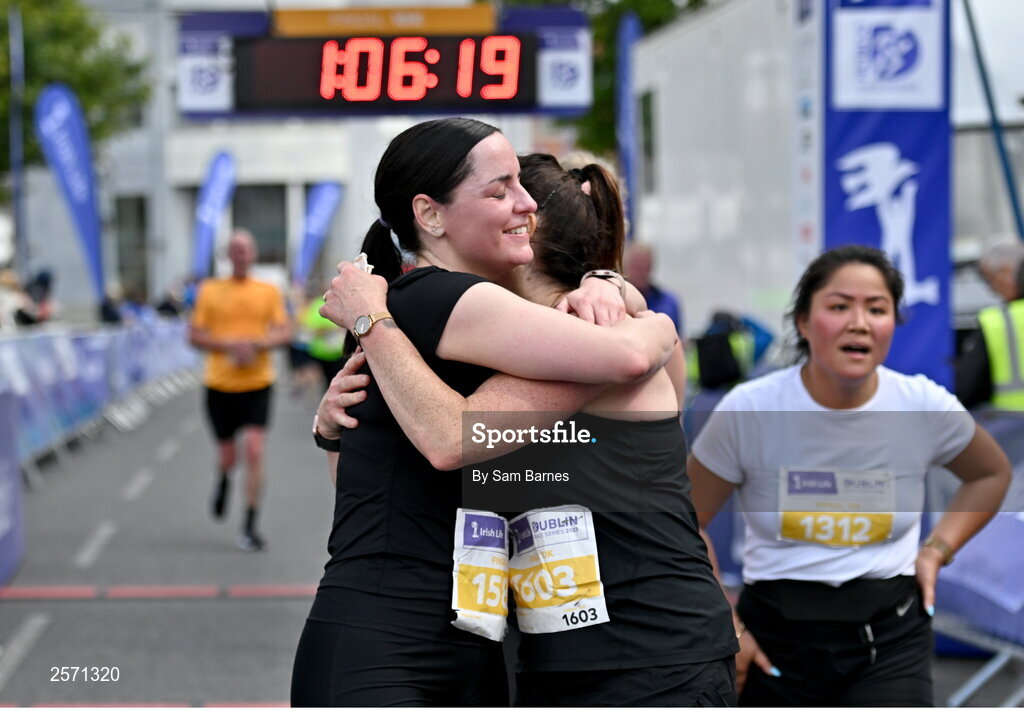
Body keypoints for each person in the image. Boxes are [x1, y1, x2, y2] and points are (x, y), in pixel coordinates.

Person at [312, 152, 738, 706]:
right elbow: (374, 498)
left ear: (523, 241)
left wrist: (375, 322)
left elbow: (451, 438)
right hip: (548, 657)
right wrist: (334, 429)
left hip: (653, 655)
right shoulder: (507, 359)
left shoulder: (600, 341)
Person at [686, 244, 1011, 706]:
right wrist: (727, 625)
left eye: (877, 309)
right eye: (839, 306)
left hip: (892, 642)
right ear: (803, 321)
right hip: (773, 645)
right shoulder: (751, 409)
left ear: (892, 325)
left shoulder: (922, 404)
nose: (859, 322)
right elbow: (684, 521)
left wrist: (937, 551)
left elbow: (990, 474)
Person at [188, 229, 290, 551]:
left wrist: (259, 345)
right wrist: (228, 346)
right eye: (235, 250)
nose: (241, 255)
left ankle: (249, 523)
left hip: (258, 383)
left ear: (254, 254)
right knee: (229, 457)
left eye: (245, 250)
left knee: (255, 451)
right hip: (219, 385)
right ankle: (222, 479)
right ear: (227, 256)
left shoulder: (268, 291)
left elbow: (285, 332)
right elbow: (194, 336)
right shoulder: (210, 290)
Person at [956, 240, 1024, 409]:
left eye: (989, 279)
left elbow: (967, 389)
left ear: (1006, 271)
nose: (990, 289)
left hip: (1010, 427)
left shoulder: (996, 322)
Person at [625, 241, 683, 333]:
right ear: (626, 268)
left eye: (645, 267)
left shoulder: (669, 302)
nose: (641, 273)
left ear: (651, 267)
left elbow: (679, 338)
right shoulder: (617, 301)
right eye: (637, 267)